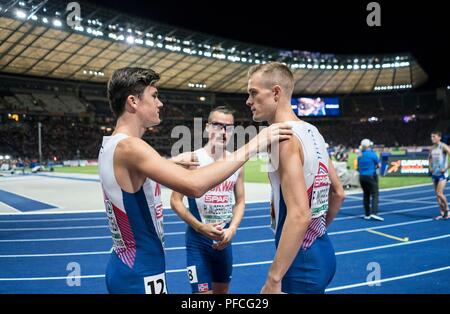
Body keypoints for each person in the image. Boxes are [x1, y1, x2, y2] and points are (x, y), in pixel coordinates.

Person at [98, 67, 292, 294]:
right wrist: (255, 143)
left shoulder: (113, 144)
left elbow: (132, 182)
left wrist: (170, 164)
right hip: (140, 268)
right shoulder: (131, 146)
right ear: (133, 101)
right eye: (154, 96)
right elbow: (194, 185)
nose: (159, 103)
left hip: (127, 261)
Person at [246, 62, 345, 294]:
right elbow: (338, 193)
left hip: (301, 264)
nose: (248, 101)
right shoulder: (313, 132)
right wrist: (313, 232)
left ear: (276, 93)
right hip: (322, 251)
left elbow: (300, 214)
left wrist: (273, 278)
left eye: (253, 93)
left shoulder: (283, 137)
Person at [170, 106, 245, 294]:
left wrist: (233, 229)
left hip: (224, 242)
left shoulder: (236, 163)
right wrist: (200, 227)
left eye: (228, 127)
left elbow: (241, 201)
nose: (223, 131)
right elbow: (175, 201)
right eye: (217, 125)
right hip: (197, 242)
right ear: (207, 128)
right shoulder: (193, 160)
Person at [357, 139, 383, 221]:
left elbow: (358, 166)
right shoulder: (372, 154)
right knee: (375, 194)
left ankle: (367, 214)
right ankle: (374, 213)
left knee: (366, 194)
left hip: (361, 177)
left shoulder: (360, 155)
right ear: (369, 145)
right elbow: (379, 165)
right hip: (370, 176)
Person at [429, 131, 450, 220]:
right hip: (435, 174)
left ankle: (447, 210)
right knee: (437, 195)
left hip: (442, 174)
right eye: (431, 136)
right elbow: (429, 158)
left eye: (434, 136)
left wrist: (446, 168)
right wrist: (430, 167)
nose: (432, 138)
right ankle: (442, 213)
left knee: (439, 193)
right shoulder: (432, 148)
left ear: (439, 137)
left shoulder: (443, 146)